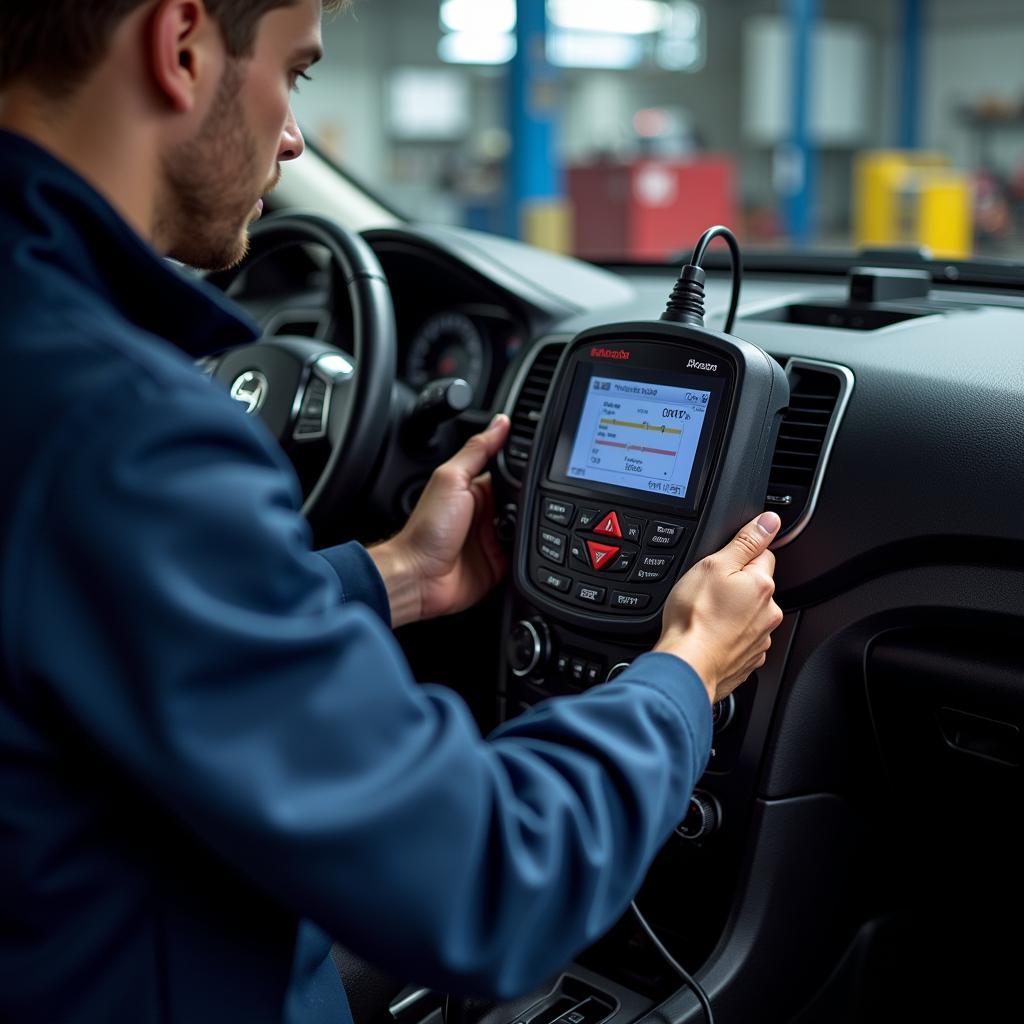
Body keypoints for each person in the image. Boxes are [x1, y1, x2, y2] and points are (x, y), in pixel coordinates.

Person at [0, 2, 784, 1022]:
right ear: (181, 43)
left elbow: (73, 609)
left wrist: (391, 576)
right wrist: (685, 671)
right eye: (296, 74)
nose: (291, 136)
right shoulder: (126, 430)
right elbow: (487, 883)